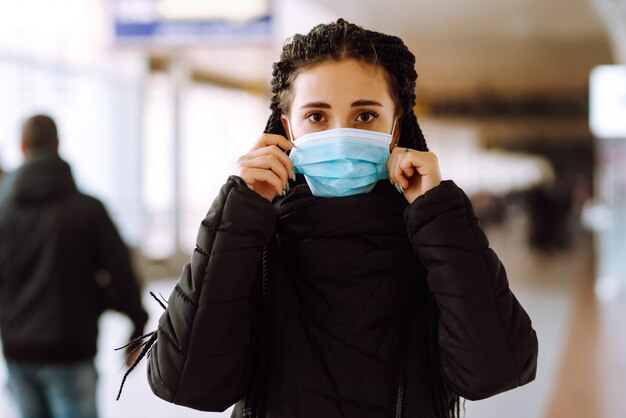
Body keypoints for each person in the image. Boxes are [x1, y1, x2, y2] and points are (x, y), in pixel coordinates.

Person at [138, 20, 538, 418]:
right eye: (316, 116)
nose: (341, 134)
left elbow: (495, 370)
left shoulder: (431, 239)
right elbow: (186, 383)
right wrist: (239, 215)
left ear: (396, 127)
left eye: (365, 116)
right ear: (286, 128)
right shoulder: (253, 238)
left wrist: (437, 212)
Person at [0, 114, 148, 418]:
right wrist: (136, 323)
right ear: (57, 145)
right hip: (71, 350)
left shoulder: (3, 211)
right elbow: (122, 273)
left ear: (23, 147)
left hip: (17, 351)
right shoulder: (88, 210)